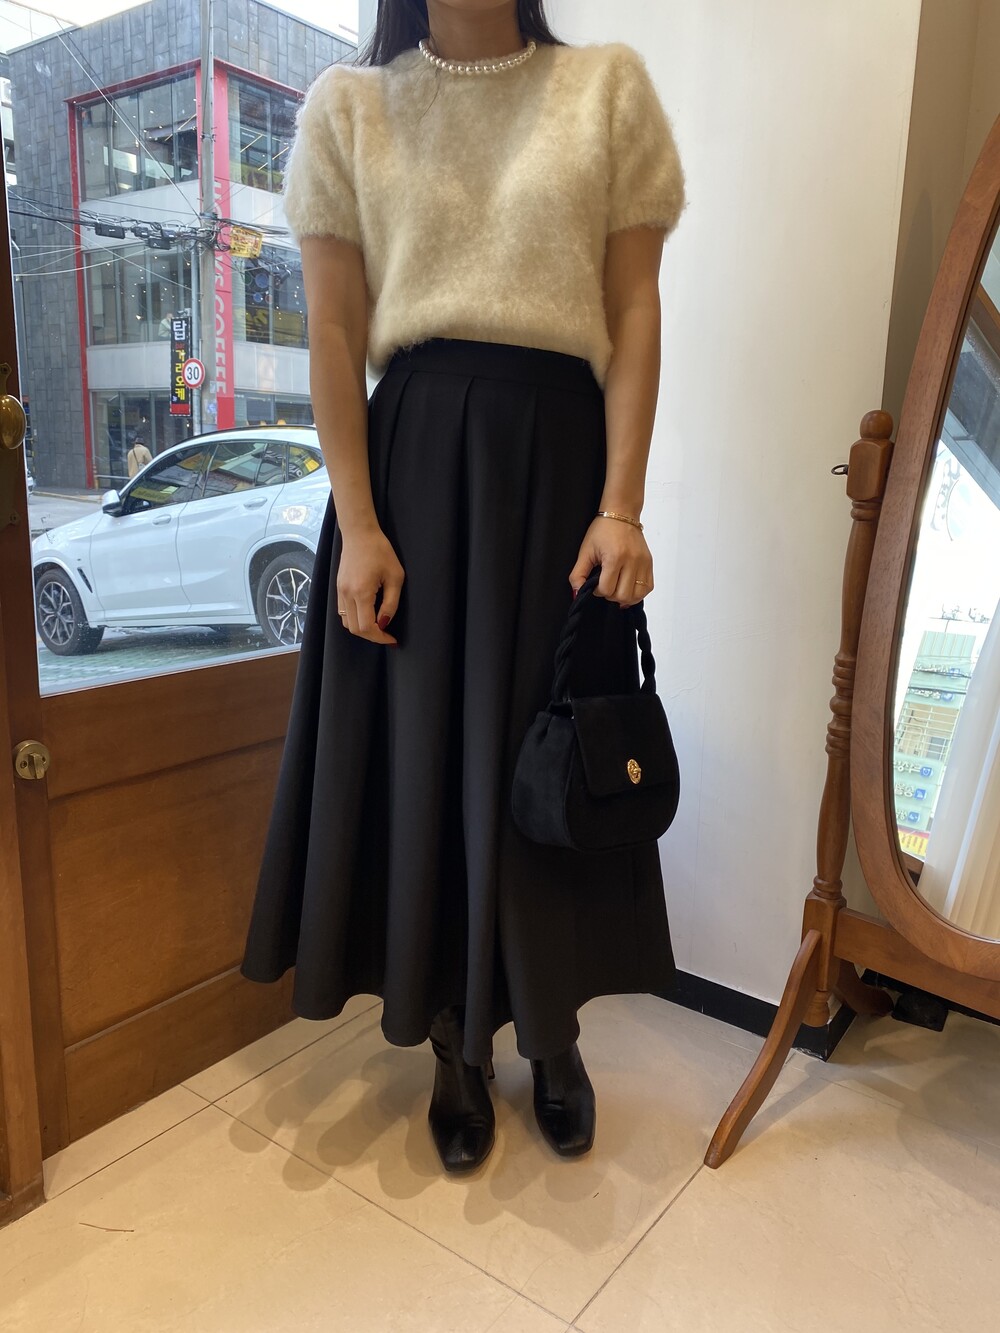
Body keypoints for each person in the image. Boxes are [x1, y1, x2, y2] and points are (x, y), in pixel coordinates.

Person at [240, 0, 686, 1174]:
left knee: (548, 748)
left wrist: (622, 503)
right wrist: (358, 525)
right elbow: (332, 331)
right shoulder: (350, 107)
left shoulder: (605, 89)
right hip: (415, 475)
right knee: (430, 761)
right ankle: (454, 1039)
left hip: (562, 466)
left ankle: (552, 1029)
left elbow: (634, 306)